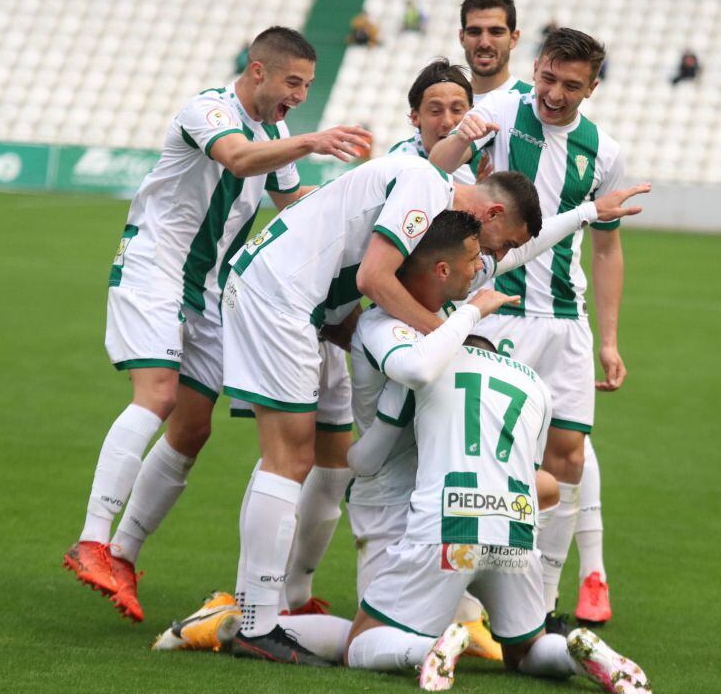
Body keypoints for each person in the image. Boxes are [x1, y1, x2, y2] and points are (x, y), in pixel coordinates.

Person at [61, 26, 371, 623]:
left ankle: (122, 553)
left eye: (307, 85)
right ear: (258, 71)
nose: (300, 95)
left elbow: (293, 205)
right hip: (155, 269)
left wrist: (362, 202)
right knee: (158, 394)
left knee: (192, 429)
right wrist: (311, 141)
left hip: (206, 292)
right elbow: (235, 156)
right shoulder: (208, 109)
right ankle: (93, 539)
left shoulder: (276, 130)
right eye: (293, 82)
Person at [219, 155, 544, 663]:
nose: (490, 257)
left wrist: (588, 212)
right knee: (288, 457)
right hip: (281, 295)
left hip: (298, 302)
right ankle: (256, 622)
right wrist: (449, 336)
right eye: (501, 244)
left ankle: (262, 612)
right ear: (493, 213)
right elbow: (374, 278)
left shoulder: (429, 192)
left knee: (304, 456)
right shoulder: (425, 186)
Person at [343, 216, 649, 691]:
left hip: (446, 528)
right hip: (516, 529)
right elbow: (540, 480)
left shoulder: (427, 365)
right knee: (525, 650)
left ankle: (429, 648)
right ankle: (576, 650)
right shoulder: (531, 384)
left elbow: (367, 459)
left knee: (362, 639)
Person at [432, 28, 640, 627]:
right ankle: (463, 599)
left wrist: (608, 339)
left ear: (592, 88)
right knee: (485, 457)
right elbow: (439, 167)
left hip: (564, 320)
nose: (554, 93)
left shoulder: (603, 150)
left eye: (570, 85)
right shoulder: (501, 107)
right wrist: (458, 138)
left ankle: (542, 601)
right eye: (548, 77)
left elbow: (605, 250)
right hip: (497, 310)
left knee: (568, 456)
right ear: (538, 67)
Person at [388, 58, 485, 184]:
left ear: (472, 113)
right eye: (435, 111)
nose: (448, 122)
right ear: (415, 117)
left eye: (456, 110)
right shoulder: (399, 165)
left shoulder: (489, 157)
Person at [458, 0, 532, 104]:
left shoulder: (534, 104)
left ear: (513, 38)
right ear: (462, 37)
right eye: (474, 32)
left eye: (496, 32)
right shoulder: (448, 109)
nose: (484, 43)